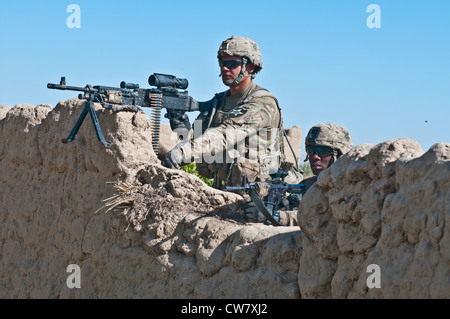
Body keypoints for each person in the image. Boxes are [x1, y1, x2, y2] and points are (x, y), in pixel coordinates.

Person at [163, 35, 302, 188]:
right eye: (222, 63)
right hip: (224, 191)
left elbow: (226, 134)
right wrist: (180, 127)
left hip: (259, 198)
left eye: (232, 63)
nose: (224, 68)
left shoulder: (262, 103)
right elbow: (195, 145)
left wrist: (183, 151)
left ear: (250, 67)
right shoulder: (219, 102)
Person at [275, 123, 353, 226]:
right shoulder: (307, 185)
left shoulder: (349, 187)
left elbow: (323, 218)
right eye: (311, 151)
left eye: (323, 151)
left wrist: (278, 217)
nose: (314, 157)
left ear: (340, 155)